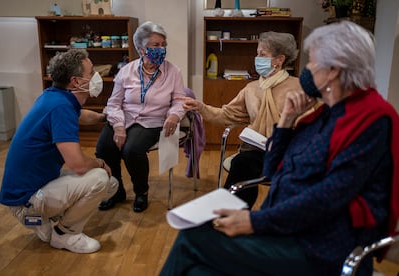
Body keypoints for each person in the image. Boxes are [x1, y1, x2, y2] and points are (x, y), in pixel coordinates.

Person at [160, 21, 399, 275]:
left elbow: (329, 196)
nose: (306, 69)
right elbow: (273, 170)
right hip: (284, 227)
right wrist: (285, 122)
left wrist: (253, 221)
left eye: (312, 63)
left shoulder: (372, 118)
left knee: (191, 238)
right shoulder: (323, 115)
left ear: (333, 70)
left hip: (319, 247)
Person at [0, 49, 118, 254]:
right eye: (91, 73)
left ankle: (48, 218)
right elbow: (77, 165)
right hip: (26, 200)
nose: (96, 77)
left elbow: (80, 115)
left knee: (111, 185)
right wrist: (100, 163)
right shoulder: (60, 108)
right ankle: (66, 234)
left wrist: (103, 117)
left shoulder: (54, 97)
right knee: (100, 178)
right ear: (75, 81)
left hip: (31, 189)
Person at [180, 31, 301, 209]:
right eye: (257, 53)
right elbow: (227, 114)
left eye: (262, 54)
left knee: (248, 166)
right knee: (242, 162)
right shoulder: (251, 89)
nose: (256, 58)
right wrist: (201, 107)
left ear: (279, 60)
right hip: (258, 149)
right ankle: (232, 213)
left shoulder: (298, 87)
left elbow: (311, 124)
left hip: (290, 151)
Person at [96, 21, 186, 212]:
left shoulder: (173, 72)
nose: (161, 49)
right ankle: (116, 190)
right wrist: (118, 126)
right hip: (124, 117)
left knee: (132, 150)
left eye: (163, 45)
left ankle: (141, 193)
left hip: (152, 121)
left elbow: (179, 100)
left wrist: (174, 116)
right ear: (141, 49)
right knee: (104, 147)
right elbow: (114, 103)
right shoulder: (126, 71)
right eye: (156, 45)